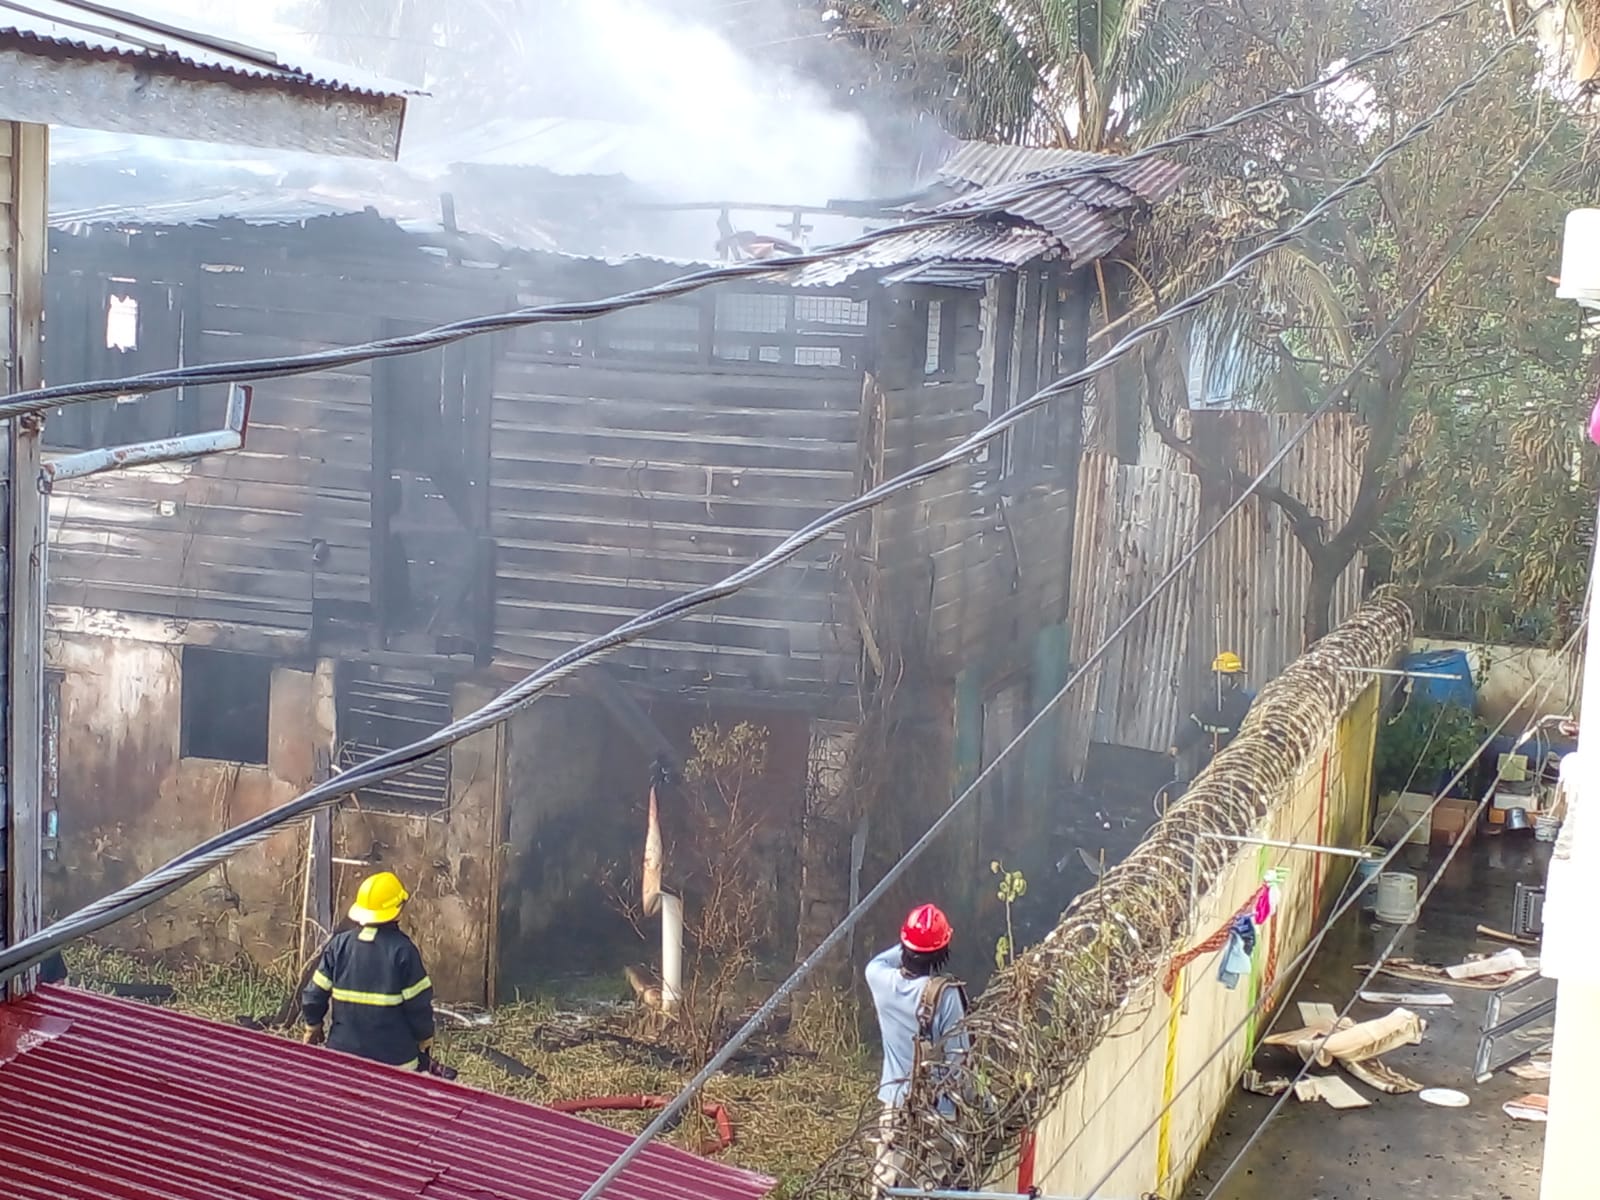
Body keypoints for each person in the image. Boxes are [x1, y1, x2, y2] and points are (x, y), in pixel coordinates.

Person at [865, 903, 970, 1195]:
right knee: (929, 1189)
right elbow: (958, 1064)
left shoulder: (878, 978)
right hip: (939, 1112)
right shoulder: (946, 997)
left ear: (904, 943)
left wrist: (912, 940)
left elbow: (886, 957)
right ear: (943, 951)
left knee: (887, 1187)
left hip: (897, 1104)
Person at [301, 871, 436, 1071]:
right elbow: (418, 1007)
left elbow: (314, 994)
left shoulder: (339, 945)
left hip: (341, 1059)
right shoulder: (404, 951)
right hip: (396, 1064)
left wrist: (313, 1025)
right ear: (397, 911)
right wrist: (425, 1037)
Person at [1169, 651, 1256, 770]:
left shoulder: (1244, 704)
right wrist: (1178, 745)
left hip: (1233, 765)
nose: (1219, 681)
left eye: (1223, 677)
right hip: (1207, 762)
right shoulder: (1210, 703)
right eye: (1216, 676)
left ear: (1235, 677)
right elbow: (1195, 725)